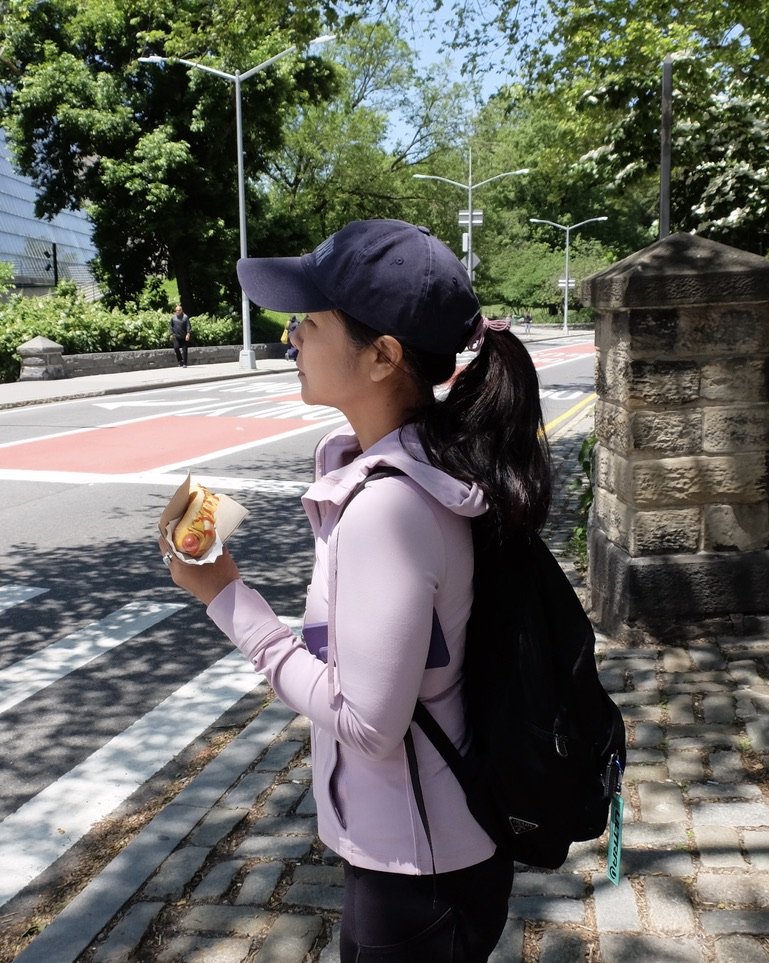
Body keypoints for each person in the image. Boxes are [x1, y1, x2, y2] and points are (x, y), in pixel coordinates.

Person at [158, 219, 551, 962]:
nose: (290, 338)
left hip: (417, 873)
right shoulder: (413, 467)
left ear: (384, 356)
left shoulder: (390, 507)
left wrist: (226, 595)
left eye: (308, 320)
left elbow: (366, 721)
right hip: (429, 848)